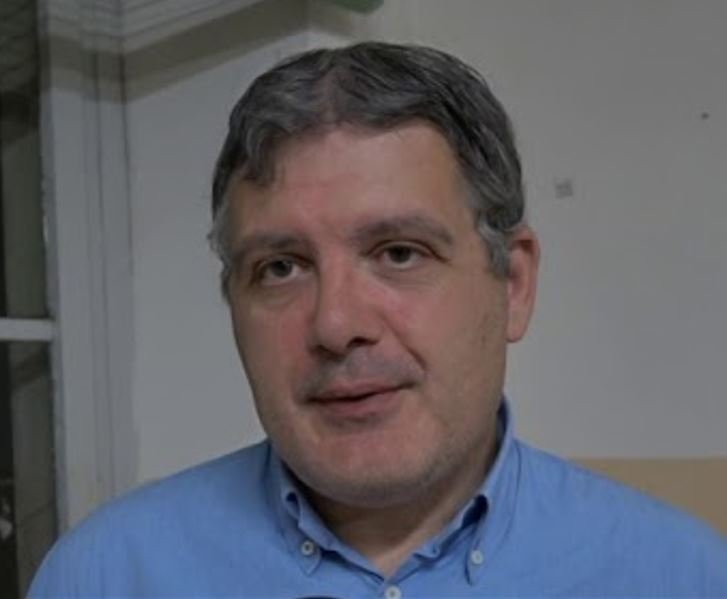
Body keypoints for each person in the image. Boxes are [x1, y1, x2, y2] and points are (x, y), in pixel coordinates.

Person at [30, 42, 727, 598]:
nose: (336, 325)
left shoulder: (681, 578)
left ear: (513, 284)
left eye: (398, 253)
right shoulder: (105, 578)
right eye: (281, 267)